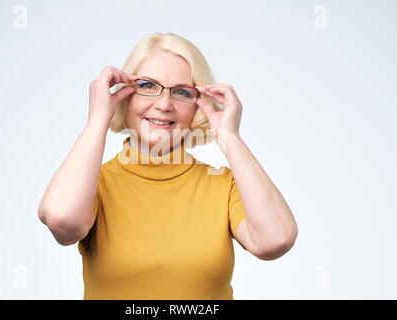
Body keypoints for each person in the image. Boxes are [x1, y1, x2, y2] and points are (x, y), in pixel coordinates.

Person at [37, 32, 298, 300]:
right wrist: (97, 119)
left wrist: (230, 137)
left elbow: (275, 240)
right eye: (148, 86)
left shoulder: (223, 185)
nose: (163, 104)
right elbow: (62, 220)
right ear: (124, 95)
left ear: (198, 107)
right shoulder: (94, 184)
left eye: (182, 92)